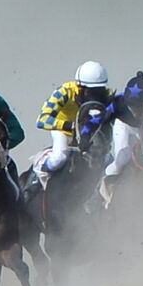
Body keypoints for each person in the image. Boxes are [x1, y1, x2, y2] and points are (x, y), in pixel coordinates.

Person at [21, 60, 113, 203]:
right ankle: (33, 183)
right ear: (80, 87)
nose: (95, 96)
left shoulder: (107, 95)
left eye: (98, 91)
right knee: (59, 158)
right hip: (64, 131)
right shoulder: (64, 92)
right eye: (90, 92)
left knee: (110, 161)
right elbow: (42, 119)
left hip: (90, 134)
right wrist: (70, 126)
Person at [77, 71, 143, 207]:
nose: (139, 111)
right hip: (125, 127)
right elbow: (97, 120)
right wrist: (85, 135)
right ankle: (100, 192)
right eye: (135, 107)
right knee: (123, 158)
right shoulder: (117, 103)